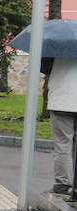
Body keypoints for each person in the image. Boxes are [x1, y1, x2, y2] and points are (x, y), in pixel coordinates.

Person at [46, 57, 77, 198]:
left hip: (61, 101)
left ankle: (63, 184)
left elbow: (45, 67)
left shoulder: (58, 44)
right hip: (63, 100)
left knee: (63, 143)